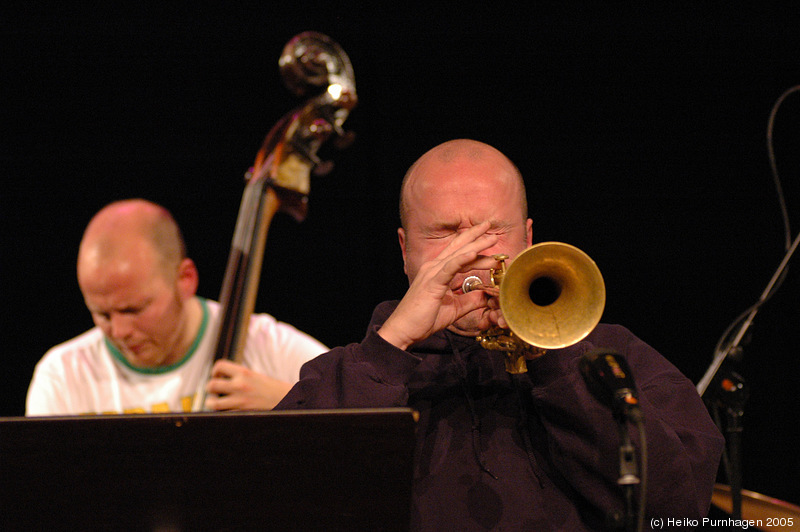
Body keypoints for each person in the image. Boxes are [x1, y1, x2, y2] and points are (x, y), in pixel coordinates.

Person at [276, 139, 725, 530]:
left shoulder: (613, 360)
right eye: (444, 234)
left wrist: (551, 355)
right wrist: (388, 349)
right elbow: (278, 501)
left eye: (493, 230)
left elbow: (678, 509)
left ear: (527, 239)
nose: (469, 253)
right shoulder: (344, 373)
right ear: (404, 250)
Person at [26, 199, 327, 415]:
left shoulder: (265, 345)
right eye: (102, 314)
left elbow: (370, 404)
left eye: (134, 310)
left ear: (185, 279)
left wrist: (290, 399)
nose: (119, 331)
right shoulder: (63, 376)